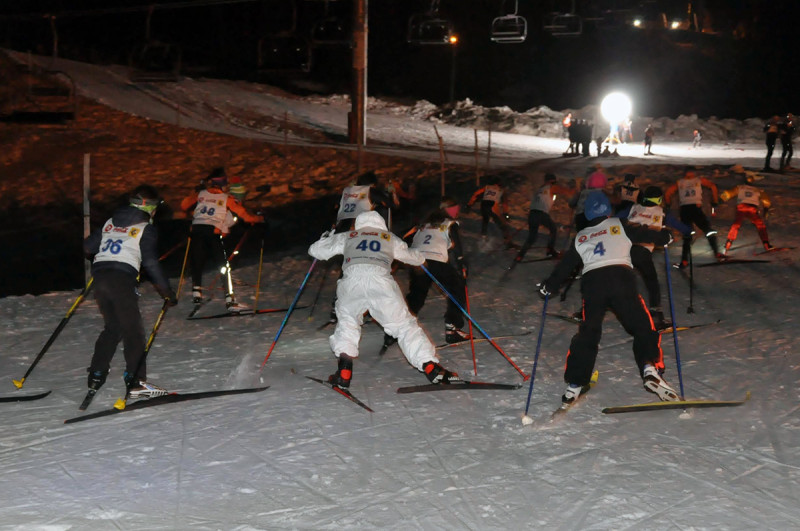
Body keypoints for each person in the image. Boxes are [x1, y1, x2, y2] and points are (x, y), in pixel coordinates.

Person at [537, 191, 679, 405]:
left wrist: (549, 286)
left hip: (593, 284)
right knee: (642, 326)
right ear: (608, 210)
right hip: (620, 279)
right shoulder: (619, 224)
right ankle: (649, 367)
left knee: (588, 332)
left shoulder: (581, 236)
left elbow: (564, 268)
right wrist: (664, 236)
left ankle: (575, 384)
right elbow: (644, 232)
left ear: (588, 214)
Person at [308, 211, 459, 388]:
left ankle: (344, 370)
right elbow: (411, 256)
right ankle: (431, 368)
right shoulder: (389, 237)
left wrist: (327, 237)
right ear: (381, 223)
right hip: (381, 283)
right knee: (403, 326)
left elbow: (315, 251)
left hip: (351, 283)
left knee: (347, 322)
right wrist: (420, 259)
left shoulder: (349, 236)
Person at [83, 185, 177, 398]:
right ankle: (136, 382)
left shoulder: (109, 222)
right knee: (133, 331)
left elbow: (88, 248)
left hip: (100, 277)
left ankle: (96, 374)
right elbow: (151, 262)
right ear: (150, 207)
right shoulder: (146, 227)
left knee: (113, 327)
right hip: (121, 280)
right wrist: (166, 290)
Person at [180, 167, 263, 311]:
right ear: (223, 184)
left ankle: (196, 293)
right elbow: (244, 215)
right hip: (212, 233)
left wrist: (195, 193)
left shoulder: (201, 194)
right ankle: (230, 300)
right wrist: (258, 218)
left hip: (197, 231)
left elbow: (184, 205)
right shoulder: (227, 198)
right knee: (223, 266)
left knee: (197, 261)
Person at [618, 186, 693, 330]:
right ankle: (656, 317)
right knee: (652, 283)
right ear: (659, 199)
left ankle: (589, 309)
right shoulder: (662, 212)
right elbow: (680, 226)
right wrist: (689, 232)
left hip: (623, 249)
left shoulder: (633, 207)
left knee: (617, 280)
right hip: (641, 252)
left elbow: (616, 219)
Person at [398, 197, 470, 345]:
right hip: (436, 261)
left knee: (417, 295)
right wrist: (462, 262)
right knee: (457, 289)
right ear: (449, 210)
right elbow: (457, 247)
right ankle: (453, 328)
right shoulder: (449, 224)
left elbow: (404, 238)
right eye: (456, 208)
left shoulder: (423, 225)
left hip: (418, 261)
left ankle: (398, 329)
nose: (458, 211)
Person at [664, 167, 723, 268]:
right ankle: (717, 253)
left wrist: (668, 204)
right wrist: (715, 201)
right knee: (708, 230)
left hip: (685, 209)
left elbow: (668, 192)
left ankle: (684, 261)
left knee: (687, 235)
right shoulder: (698, 180)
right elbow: (713, 186)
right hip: (695, 208)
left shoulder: (680, 182)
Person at [515, 173, 575, 262]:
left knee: (532, 237)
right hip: (541, 214)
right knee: (553, 229)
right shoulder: (551, 187)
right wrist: (574, 189)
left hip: (532, 214)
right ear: (552, 180)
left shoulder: (540, 189)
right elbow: (566, 191)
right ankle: (550, 250)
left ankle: (520, 255)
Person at [719, 174, 774, 254]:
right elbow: (766, 200)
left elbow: (728, 193)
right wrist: (766, 209)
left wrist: (720, 199)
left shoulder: (740, 187)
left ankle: (728, 245)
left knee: (736, 225)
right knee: (760, 225)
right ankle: (766, 244)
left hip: (741, 208)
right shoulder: (757, 190)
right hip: (752, 209)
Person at [466, 175, 512, 246]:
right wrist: (506, 214)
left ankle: (483, 237)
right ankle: (507, 240)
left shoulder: (487, 187)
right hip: (493, 207)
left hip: (484, 205)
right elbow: (504, 204)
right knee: (501, 223)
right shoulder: (501, 190)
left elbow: (476, 194)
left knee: (485, 220)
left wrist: (469, 204)